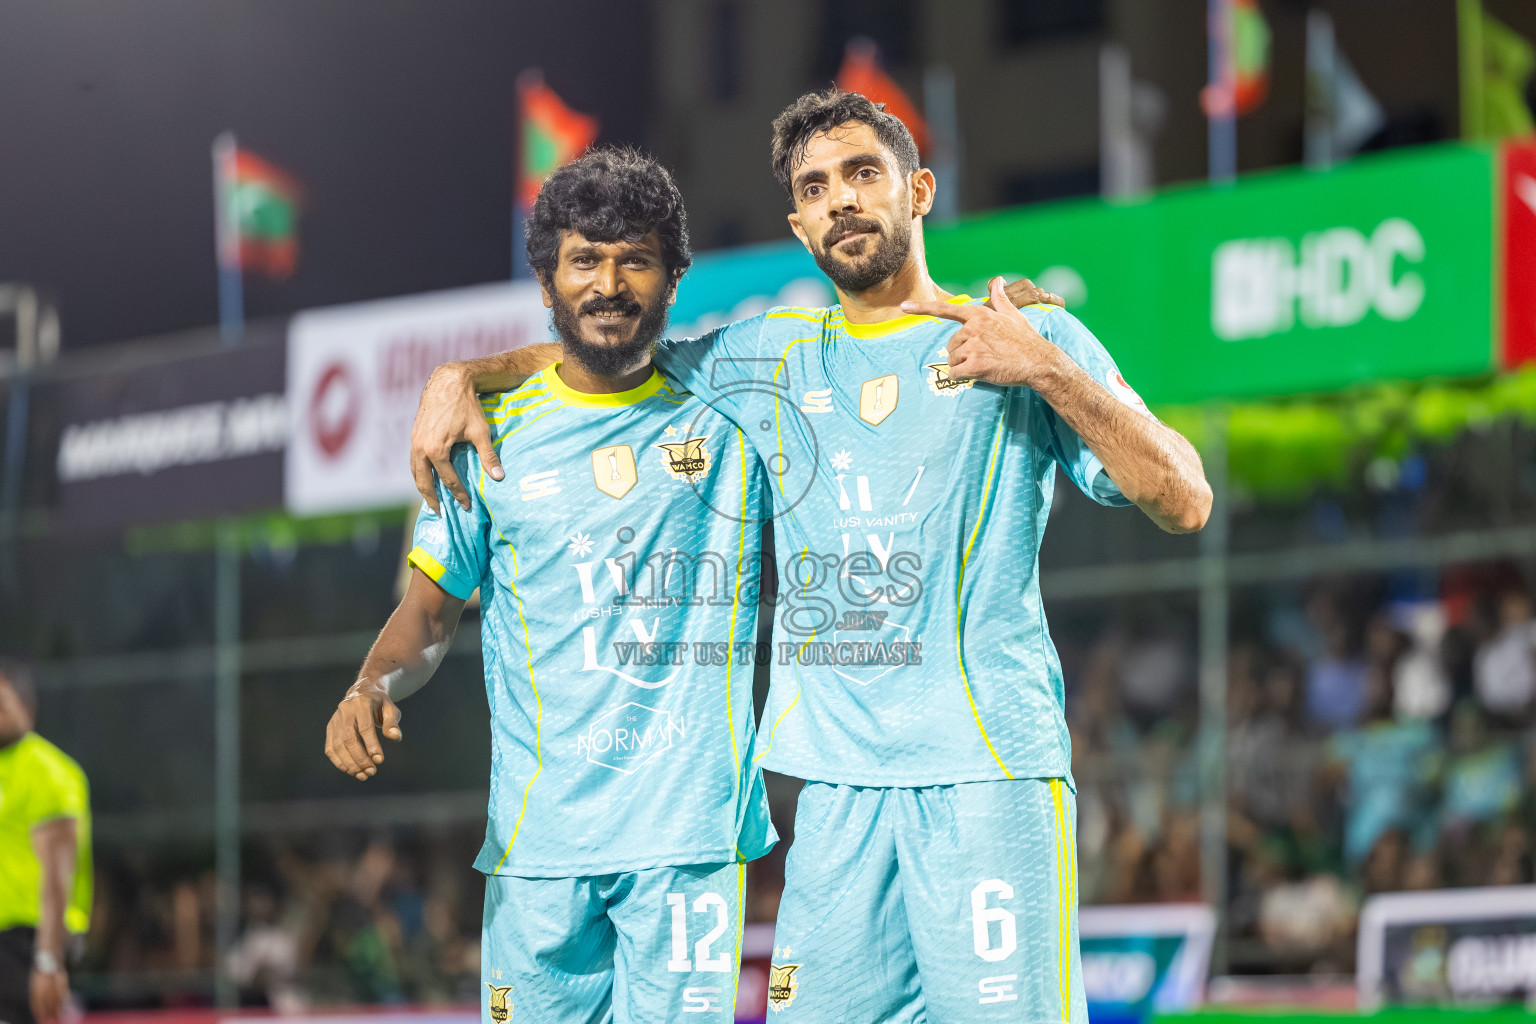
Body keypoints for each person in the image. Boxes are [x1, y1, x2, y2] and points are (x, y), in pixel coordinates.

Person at [409, 91, 1211, 1023]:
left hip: (987, 776)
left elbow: (1184, 497)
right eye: (816, 187)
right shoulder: (767, 359)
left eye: (863, 174)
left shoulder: (1019, 340)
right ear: (798, 224)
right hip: (832, 801)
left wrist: (1048, 369)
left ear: (918, 190)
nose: (841, 200)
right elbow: (604, 347)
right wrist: (458, 375)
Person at [326, 148, 783, 1024]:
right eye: (584, 260)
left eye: (635, 259)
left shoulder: (733, 399)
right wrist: (369, 682)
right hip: (540, 849)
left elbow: (875, 321)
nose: (609, 284)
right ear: (547, 281)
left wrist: (1001, 304)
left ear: (673, 278)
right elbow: (428, 609)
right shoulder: (489, 437)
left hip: (687, 840)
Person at [0, 658, 92, 1024]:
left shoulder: (50, 773)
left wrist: (48, 959)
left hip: (30, 940)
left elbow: (58, 876)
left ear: (28, 709)